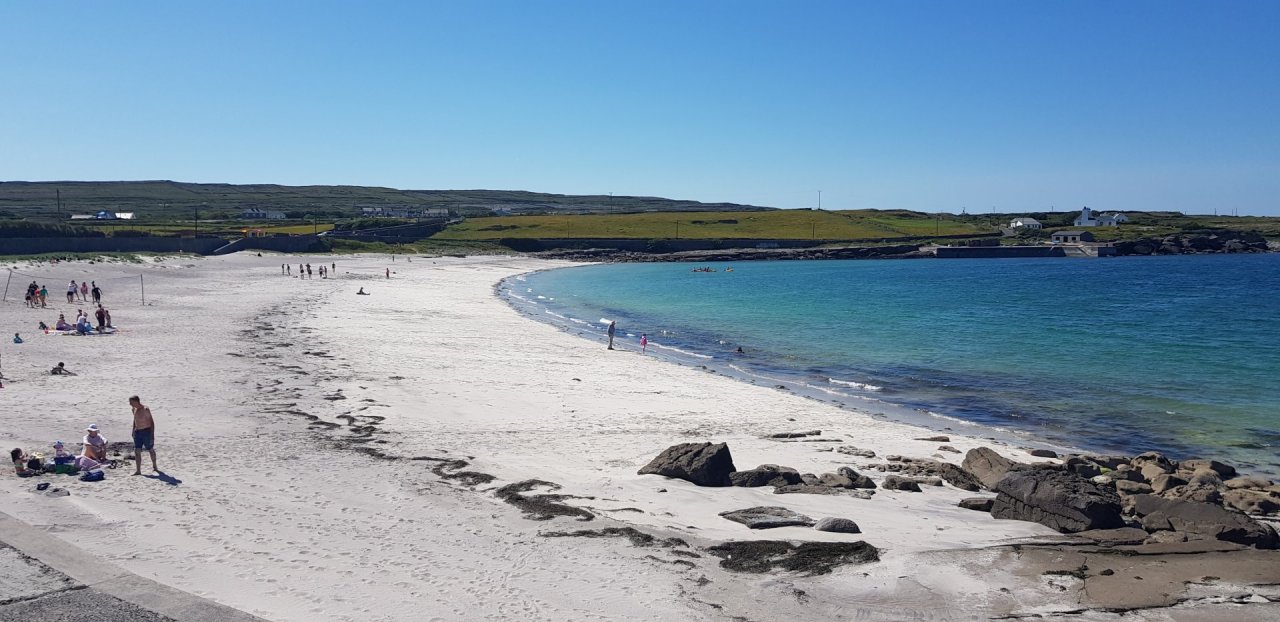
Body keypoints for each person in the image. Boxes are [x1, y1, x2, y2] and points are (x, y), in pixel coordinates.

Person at [129, 396, 157, 475]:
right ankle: (138, 470)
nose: (130, 404)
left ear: (136, 401)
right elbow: (135, 420)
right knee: (137, 450)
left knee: (150, 449)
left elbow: (152, 422)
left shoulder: (145, 409)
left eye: (131, 402)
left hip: (146, 431)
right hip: (138, 432)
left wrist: (152, 435)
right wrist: (133, 430)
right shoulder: (134, 409)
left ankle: (155, 466)